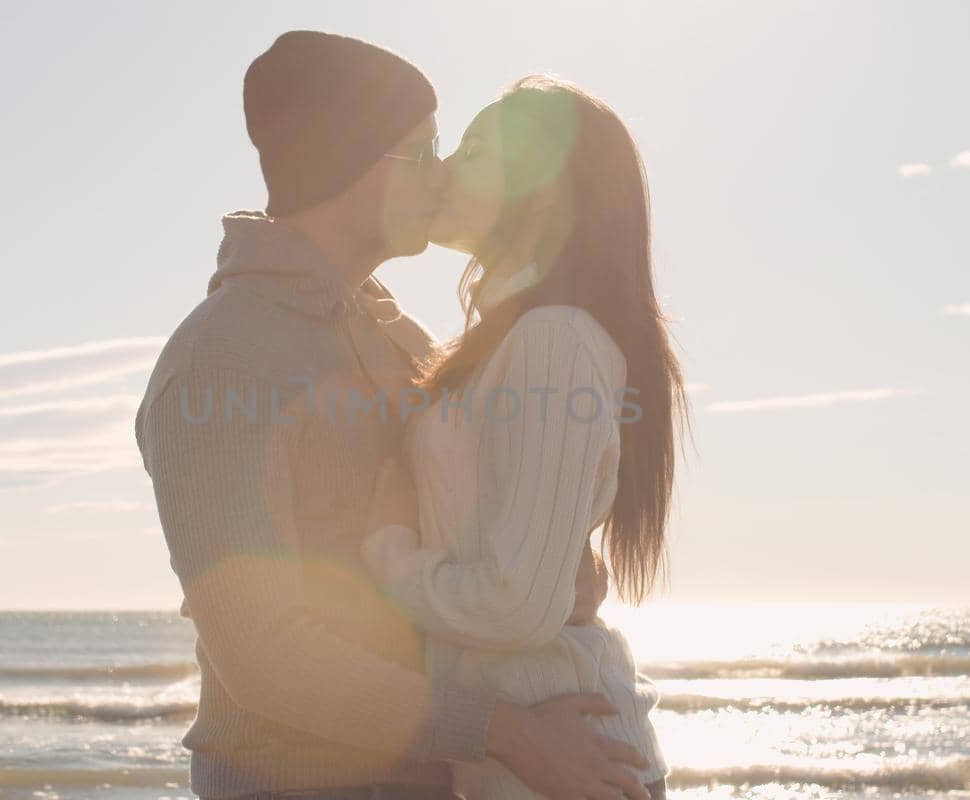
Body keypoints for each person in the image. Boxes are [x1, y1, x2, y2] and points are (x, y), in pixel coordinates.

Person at [135, 31, 652, 800]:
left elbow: (484, 527)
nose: (443, 173)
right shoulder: (221, 359)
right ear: (351, 163)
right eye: (425, 149)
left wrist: (548, 575)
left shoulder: (399, 338)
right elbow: (259, 655)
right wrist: (505, 730)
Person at [361, 74, 695, 800]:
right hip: (525, 754)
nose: (443, 168)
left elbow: (516, 603)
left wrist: (386, 563)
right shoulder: (513, 339)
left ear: (542, 188)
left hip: (565, 760)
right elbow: (513, 556)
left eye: (474, 151)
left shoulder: (554, 341)